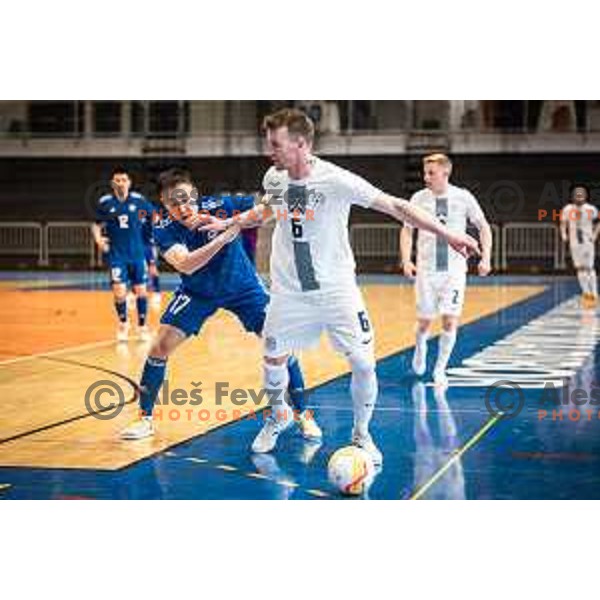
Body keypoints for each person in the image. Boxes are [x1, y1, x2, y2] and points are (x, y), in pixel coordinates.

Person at [200, 108, 479, 464]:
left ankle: (362, 434)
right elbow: (269, 208)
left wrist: (449, 233)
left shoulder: (336, 180)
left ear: (300, 144)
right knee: (273, 358)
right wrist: (233, 222)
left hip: (336, 290)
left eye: (275, 144)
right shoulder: (276, 176)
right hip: (290, 292)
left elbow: (396, 206)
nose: (268, 150)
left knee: (363, 364)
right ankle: (279, 414)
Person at [120, 168, 320, 441]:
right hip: (198, 290)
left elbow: (266, 209)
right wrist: (224, 236)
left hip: (242, 286)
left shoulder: (222, 205)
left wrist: (281, 196)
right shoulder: (163, 229)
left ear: (195, 194)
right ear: (165, 206)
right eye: (174, 203)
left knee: (280, 342)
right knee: (160, 346)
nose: (182, 207)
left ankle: (304, 415)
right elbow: (186, 264)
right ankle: (145, 420)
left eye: (186, 199)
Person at [400, 153, 492, 386]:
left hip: (453, 271)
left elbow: (483, 227)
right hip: (426, 270)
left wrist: (486, 258)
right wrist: (406, 260)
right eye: (425, 172)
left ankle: (440, 369)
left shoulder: (462, 197)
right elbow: (407, 230)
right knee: (424, 323)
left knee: (450, 321)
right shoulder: (418, 198)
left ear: (445, 173)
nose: (426, 177)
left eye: (431, 173)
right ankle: (420, 346)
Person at [92, 167, 154, 341]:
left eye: (123, 180)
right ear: (112, 183)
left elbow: (153, 218)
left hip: (137, 254)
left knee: (141, 291)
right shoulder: (106, 202)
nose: (120, 183)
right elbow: (96, 224)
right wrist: (98, 239)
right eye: (117, 180)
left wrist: (150, 236)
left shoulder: (139, 201)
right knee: (119, 292)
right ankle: (123, 323)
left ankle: (142, 326)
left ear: (129, 182)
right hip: (117, 255)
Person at [560, 184, 599, 307]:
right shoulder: (567, 209)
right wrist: (563, 234)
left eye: (581, 194)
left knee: (589, 267)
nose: (579, 196)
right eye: (577, 194)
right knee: (579, 267)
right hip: (574, 242)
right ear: (573, 196)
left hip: (587, 242)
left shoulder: (591, 209)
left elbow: (598, 222)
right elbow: (562, 223)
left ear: (585, 196)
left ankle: (594, 292)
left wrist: (595, 235)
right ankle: (586, 293)